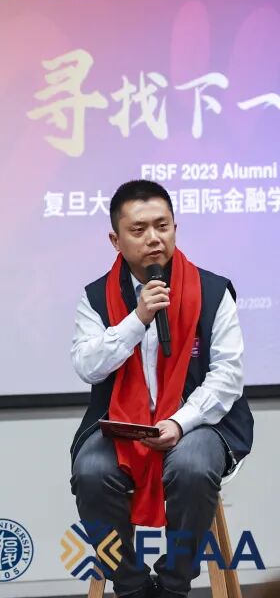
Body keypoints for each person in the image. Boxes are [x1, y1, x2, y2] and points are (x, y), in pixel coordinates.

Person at [70, 179, 253, 598]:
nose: (153, 238)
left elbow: (227, 375)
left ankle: (174, 584)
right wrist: (137, 319)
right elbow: (87, 367)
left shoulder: (213, 291)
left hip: (200, 423)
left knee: (192, 467)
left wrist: (180, 422)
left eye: (162, 226)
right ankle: (131, 585)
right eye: (138, 230)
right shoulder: (95, 297)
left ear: (175, 228)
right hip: (121, 423)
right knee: (91, 472)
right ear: (115, 240)